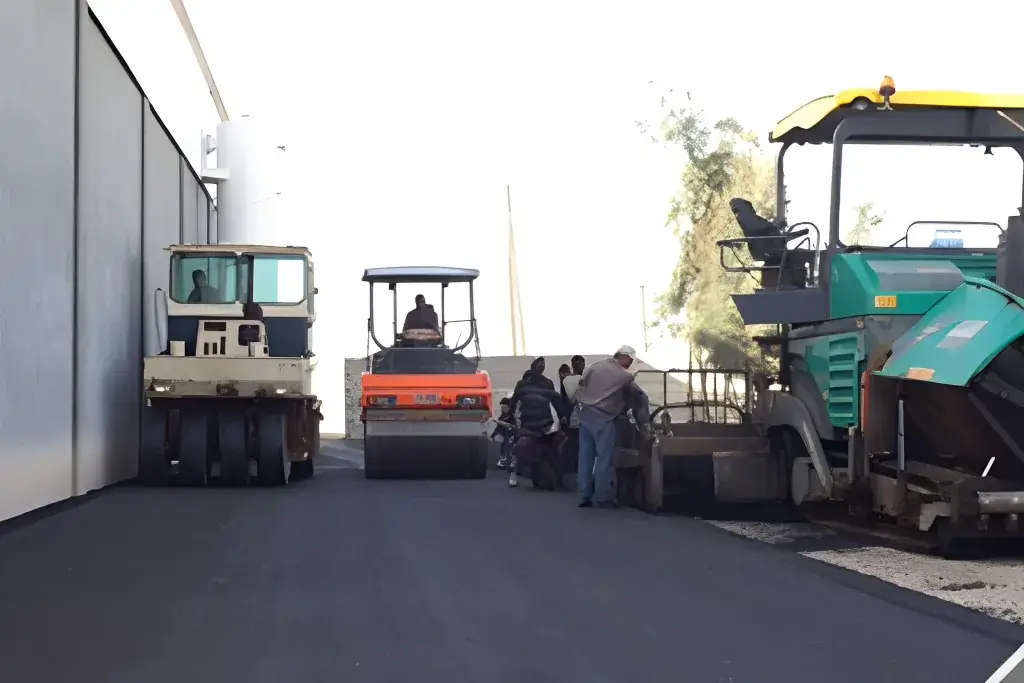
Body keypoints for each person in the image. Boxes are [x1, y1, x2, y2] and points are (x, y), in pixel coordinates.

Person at [574, 345, 648, 508]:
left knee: (585, 457)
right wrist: (644, 424)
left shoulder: (595, 366)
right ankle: (603, 497)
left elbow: (581, 387)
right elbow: (640, 396)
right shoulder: (624, 376)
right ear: (624, 357)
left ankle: (584, 495)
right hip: (603, 418)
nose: (629, 365)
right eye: (629, 361)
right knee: (604, 459)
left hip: (585, 415)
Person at [507, 367, 568, 488]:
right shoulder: (548, 393)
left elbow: (514, 411)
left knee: (518, 446)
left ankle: (514, 473)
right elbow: (561, 414)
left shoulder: (523, 393)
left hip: (532, 429)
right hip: (545, 429)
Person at [492, 396, 515, 468]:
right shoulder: (504, 414)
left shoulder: (511, 414)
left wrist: (498, 421)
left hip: (511, 432)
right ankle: (504, 457)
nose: (502, 408)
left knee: (508, 439)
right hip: (503, 432)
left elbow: (510, 425)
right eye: (502, 407)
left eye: (504, 407)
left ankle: (508, 459)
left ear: (509, 407)